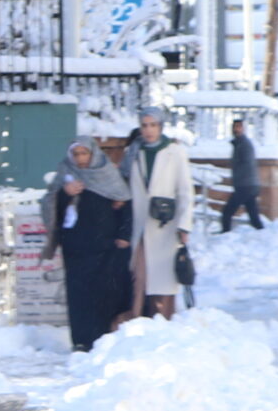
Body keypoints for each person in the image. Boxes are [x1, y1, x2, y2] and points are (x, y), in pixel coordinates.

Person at [39, 136, 133, 351]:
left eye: (84, 153)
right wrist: (65, 193)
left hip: (105, 246)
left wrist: (123, 235)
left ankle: (102, 338)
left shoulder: (107, 173)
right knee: (79, 296)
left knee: (104, 293)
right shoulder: (65, 172)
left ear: (93, 154)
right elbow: (50, 203)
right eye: (76, 154)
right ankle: (81, 340)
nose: (81, 159)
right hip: (76, 247)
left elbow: (124, 202)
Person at [127, 108, 197, 320]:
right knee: (140, 276)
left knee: (164, 278)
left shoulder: (174, 152)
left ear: (160, 127)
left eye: (153, 125)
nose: (148, 130)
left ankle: (163, 321)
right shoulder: (133, 153)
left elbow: (185, 191)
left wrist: (184, 225)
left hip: (166, 224)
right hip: (140, 224)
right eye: (144, 125)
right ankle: (138, 319)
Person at [218, 118, 265, 232]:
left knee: (227, 212)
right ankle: (262, 233)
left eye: (239, 127)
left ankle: (225, 235)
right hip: (248, 185)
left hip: (245, 185)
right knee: (253, 215)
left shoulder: (244, 145)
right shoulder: (239, 144)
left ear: (244, 129)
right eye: (234, 127)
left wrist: (238, 178)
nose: (236, 130)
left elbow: (246, 164)